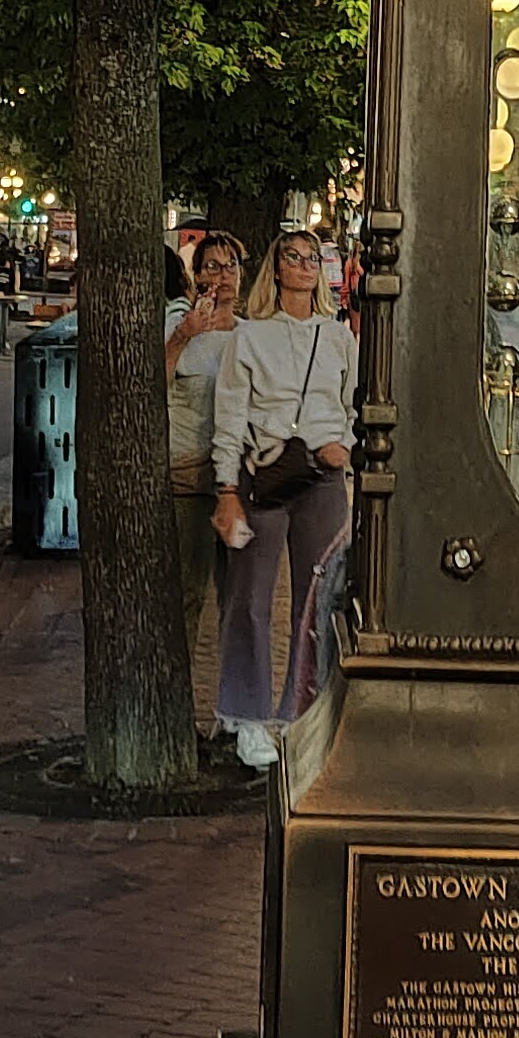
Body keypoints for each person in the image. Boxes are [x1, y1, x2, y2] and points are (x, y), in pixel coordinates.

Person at [211, 227, 359, 771]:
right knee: (250, 600)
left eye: (311, 258)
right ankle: (246, 716)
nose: (302, 266)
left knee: (319, 599)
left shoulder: (339, 336)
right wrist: (227, 489)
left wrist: (345, 443)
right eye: (291, 257)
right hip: (266, 472)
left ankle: (305, 713)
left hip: (322, 478)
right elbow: (229, 417)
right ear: (276, 268)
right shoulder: (249, 338)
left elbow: (353, 404)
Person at [166, 231, 245, 674]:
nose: (222, 276)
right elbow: (150, 390)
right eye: (212, 267)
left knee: (238, 597)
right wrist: (181, 336)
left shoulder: (251, 335)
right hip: (188, 479)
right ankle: (180, 705)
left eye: (230, 265)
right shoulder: (180, 324)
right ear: (196, 277)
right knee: (187, 596)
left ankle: (232, 715)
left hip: (236, 482)